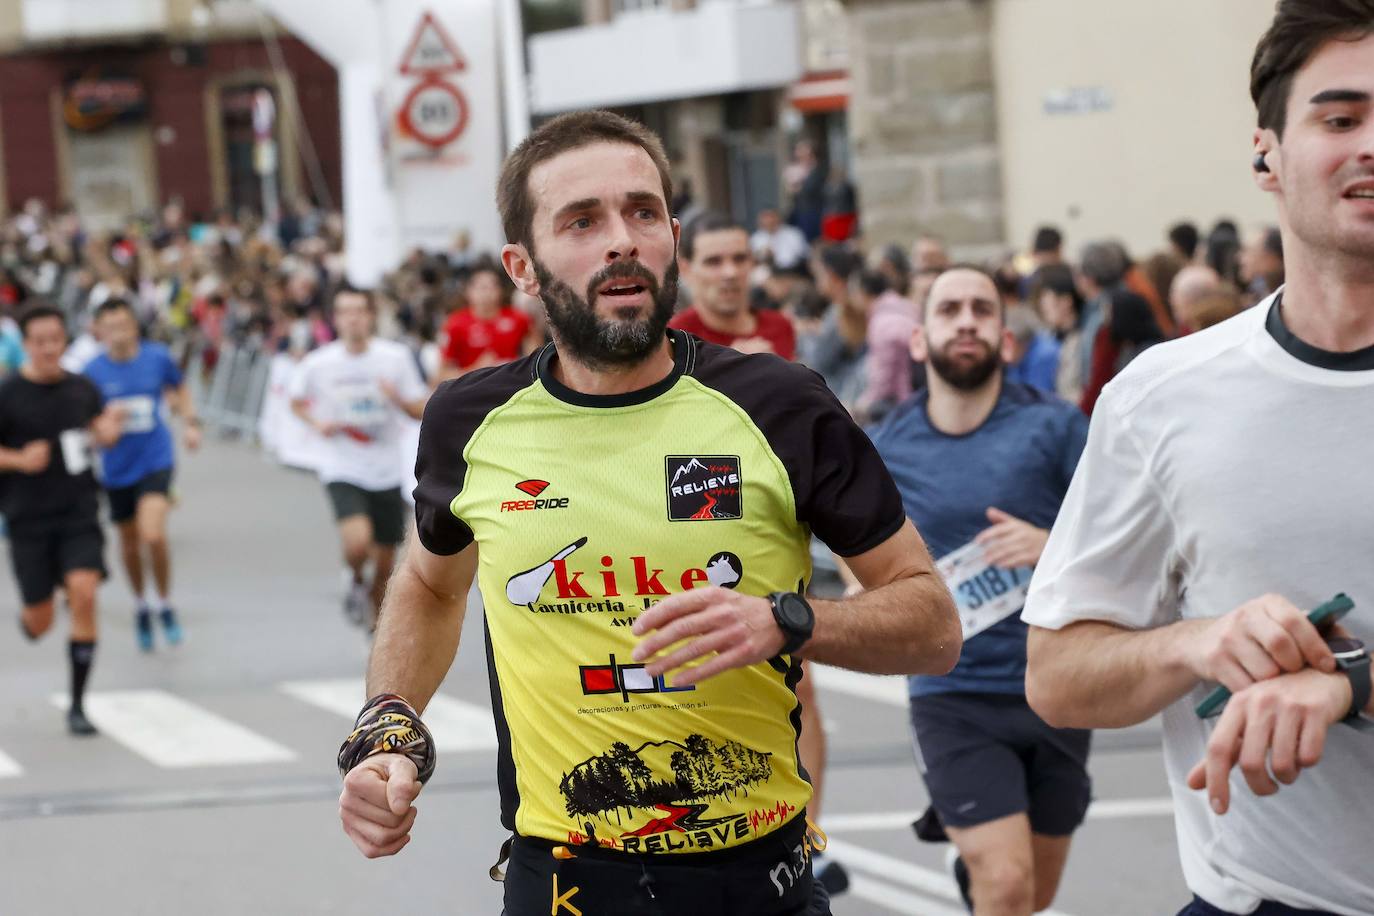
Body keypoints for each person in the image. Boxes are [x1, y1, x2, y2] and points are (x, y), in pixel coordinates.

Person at [336, 109, 961, 916]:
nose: (620, 239)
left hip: (758, 883)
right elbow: (429, 586)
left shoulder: (779, 404)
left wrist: (791, 622)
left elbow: (934, 624)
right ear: (522, 267)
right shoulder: (468, 420)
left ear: (670, 235)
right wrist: (388, 724)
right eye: (582, 221)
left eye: (641, 213)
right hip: (563, 883)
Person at [1024, 3, 1374, 913]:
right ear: (1267, 153)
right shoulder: (1161, 395)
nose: (1371, 145)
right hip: (1259, 898)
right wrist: (1200, 640)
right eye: (1341, 119)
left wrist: (1351, 684)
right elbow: (1057, 678)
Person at [870, 266, 1089, 916]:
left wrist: (1053, 548)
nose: (966, 320)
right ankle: (981, 866)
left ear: (1006, 337)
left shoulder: (1057, 427)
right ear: (919, 339)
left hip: (1056, 687)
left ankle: (971, 871)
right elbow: (861, 566)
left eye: (982, 309)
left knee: (1033, 894)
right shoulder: (889, 447)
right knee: (1008, 885)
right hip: (952, 694)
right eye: (950, 309)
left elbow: (1124, 542)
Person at [0, 304, 122, 734]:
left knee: (85, 593)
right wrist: (17, 458)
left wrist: (107, 432)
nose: (50, 349)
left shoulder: (82, 388)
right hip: (27, 518)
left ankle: (77, 705)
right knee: (41, 621)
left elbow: (99, 427)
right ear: (27, 345)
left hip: (78, 512)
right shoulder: (8, 393)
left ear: (64, 341)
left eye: (56, 340)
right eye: (40, 342)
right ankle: (34, 614)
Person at [289, 287, 428, 627]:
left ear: (371, 316)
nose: (353, 318)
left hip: (386, 469)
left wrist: (395, 397)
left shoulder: (394, 358)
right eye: (345, 311)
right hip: (342, 465)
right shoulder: (319, 363)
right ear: (335, 319)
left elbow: (420, 409)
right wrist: (317, 422)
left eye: (359, 311)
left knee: (384, 564)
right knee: (357, 543)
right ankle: (352, 576)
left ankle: (375, 627)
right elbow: (295, 400)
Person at [83, 298, 201, 650]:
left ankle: (164, 603)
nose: (119, 332)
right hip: (117, 468)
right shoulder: (92, 372)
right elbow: (87, 427)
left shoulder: (156, 357)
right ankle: (140, 605)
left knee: (153, 536)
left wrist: (191, 423)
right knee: (130, 543)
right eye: (110, 326)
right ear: (99, 331)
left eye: (124, 324)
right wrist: (106, 427)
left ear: (134, 325)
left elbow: (179, 387)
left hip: (156, 459)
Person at [669, 212, 797, 359]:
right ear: (686, 269)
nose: (731, 273)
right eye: (714, 262)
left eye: (740, 259)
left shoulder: (780, 326)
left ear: (752, 263)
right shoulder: (673, 340)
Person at [437, 261, 540, 380]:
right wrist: (477, 369)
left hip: (511, 383)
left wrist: (515, 366)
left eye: (493, 286)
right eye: (482, 288)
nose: (487, 293)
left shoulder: (518, 318)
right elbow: (441, 375)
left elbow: (535, 359)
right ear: (468, 292)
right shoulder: (455, 324)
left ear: (500, 290)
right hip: (473, 387)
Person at [849, 268, 919, 421]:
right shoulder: (906, 306)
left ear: (863, 292)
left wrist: (863, 404)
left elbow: (884, 377)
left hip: (906, 400)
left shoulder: (882, 323)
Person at [1030, 264, 1087, 403]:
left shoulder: (1083, 341)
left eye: (1047, 297)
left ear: (1066, 301)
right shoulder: (1046, 337)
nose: (1043, 304)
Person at [750, 208, 810, 275]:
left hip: (793, 271)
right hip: (768, 273)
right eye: (766, 218)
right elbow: (753, 259)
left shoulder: (793, 233)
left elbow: (805, 254)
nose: (769, 221)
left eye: (771, 217)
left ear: (778, 218)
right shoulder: (756, 238)